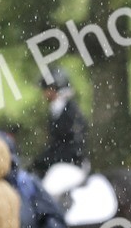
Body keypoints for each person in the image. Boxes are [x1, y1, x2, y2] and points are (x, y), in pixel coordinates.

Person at [31, 65, 89, 200]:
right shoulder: (57, 110)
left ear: (54, 89)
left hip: (71, 165)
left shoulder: (71, 112)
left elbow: (71, 147)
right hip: (61, 164)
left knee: (45, 196)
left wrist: (45, 160)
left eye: (46, 89)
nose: (44, 93)